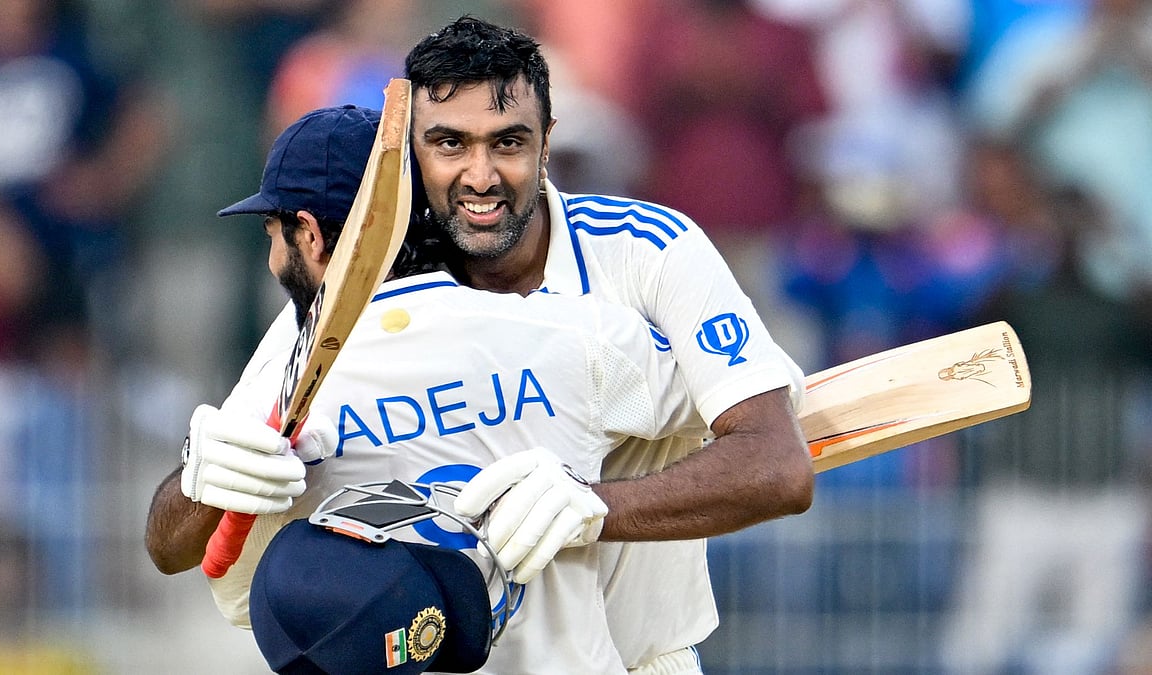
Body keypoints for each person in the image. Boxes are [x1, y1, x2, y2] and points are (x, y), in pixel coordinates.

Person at [145, 103, 712, 673]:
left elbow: (226, 584)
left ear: (310, 236)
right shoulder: (578, 332)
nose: (273, 258)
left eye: (275, 233)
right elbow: (768, 428)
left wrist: (197, 483)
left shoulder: (291, 367)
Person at [398, 16, 813, 672]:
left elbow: (779, 465)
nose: (481, 175)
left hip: (640, 661)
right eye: (450, 143)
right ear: (411, 149)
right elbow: (179, 536)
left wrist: (592, 506)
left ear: (546, 142)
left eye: (508, 142)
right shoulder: (379, 276)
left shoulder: (651, 249)